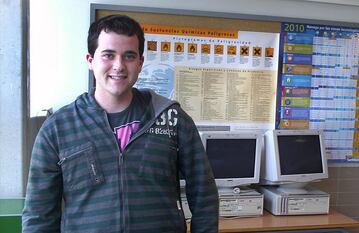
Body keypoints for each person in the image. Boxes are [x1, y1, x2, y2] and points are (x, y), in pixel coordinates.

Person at [22, 14, 219, 233]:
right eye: (108, 55)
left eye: (129, 56)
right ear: (90, 60)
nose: (119, 65)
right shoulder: (57, 128)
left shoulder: (173, 120)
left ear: (140, 62)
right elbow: (39, 215)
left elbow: (205, 196)